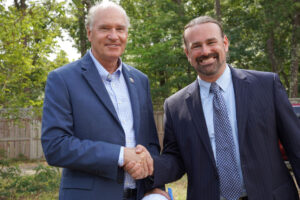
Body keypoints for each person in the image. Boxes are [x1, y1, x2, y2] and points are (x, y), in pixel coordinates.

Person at [150, 16, 300, 200]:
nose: (205, 51)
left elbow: (296, 147)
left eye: (211, 42)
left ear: (225, 43)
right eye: (196, 46)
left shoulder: (266, 85)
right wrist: (148, 168)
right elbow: (175, 160)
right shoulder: (175, 106)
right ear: (187, 53)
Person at [41, 1, 169, 200]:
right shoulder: (63, 79)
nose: (114, 36)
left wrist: (156, 186)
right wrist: (119, 155)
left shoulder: (140, 80)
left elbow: (151, 144)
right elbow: (56, 146)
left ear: (127, 34)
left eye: (120, 29)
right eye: (105, 28)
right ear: (90, 32)